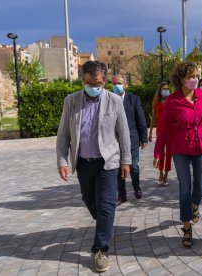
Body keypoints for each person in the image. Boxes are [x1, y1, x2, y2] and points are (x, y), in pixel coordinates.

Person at [56, 61, 131, 272]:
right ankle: (105, 224)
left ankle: (99, 249)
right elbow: (63, 134)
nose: (93, 87)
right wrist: (62, 161)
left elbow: (124, 133)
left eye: (97, 83)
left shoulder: (114, 101)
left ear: (104, 81)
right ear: (83, 80)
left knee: (106, 204)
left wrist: (126, 160)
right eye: (89, 83)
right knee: (89, 200)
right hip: (83, 162)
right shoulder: (71, 101)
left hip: (108, 162)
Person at [153, 61, 202, 248]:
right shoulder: (172, 101)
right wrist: (158, 151)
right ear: (182, 79)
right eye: (192, 76)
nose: (196, 79)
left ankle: (194, 207)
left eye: (196, 76)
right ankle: (186, 226)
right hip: (180, 149)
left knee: (199, 187)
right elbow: (164, 129)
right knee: (185, 188)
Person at [112, 74, 148, 204]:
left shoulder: (134, 99)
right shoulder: (109, 100)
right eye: (114, 83)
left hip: (132, 139)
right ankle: (122, 195)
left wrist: (144, 138)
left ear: (125, 85)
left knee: (133, 166)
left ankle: (136, 187)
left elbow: (141, 120)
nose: (116, 86)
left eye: (119, 83)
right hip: (115, 141)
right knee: (118, 168)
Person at [148, 82, 172, 186]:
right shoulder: (156, 101)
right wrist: (150, 133)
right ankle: (160, 172)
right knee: (160, 152)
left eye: (167, 88)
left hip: (171, 130)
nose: (165, 90)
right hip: (160, 129)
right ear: (160, 89)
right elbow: (153, 117)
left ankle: (166, 174)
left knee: (169, 153)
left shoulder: (172, 100)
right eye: (163, 88)